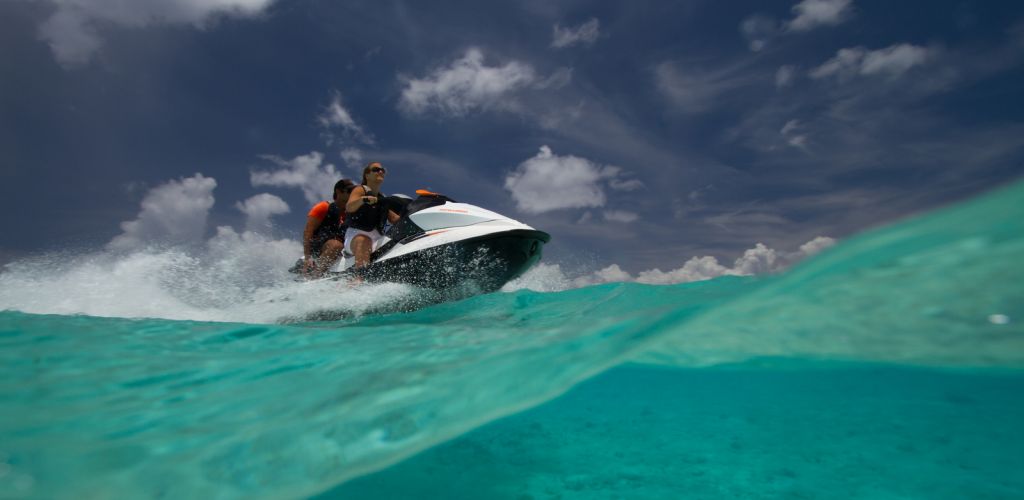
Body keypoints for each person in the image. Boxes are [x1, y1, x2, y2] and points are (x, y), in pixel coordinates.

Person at [346, 162, 401, 268]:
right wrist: (363, 200)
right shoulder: (360, 189)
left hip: (377, 238)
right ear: (367, 175)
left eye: (382, 170)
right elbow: (349, 207)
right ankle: (360, 278)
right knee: (363, 240)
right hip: (355, 236)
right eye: (376, 169)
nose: (380, 172)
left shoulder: (382, 198)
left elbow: (394, 218)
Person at [302, 178, 355, 278]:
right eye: (349, 191)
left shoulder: (351, 213)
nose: (352, 193)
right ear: (338, 191)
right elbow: (308, 232)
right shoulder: (323, 207)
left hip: (342, 246)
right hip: (319, 246)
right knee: (336, 245)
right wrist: (307, 257)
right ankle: (315, 276)